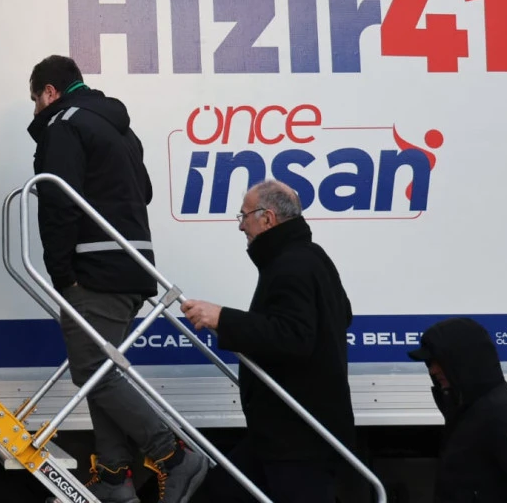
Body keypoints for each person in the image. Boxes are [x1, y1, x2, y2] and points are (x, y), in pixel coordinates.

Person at [28, 55, 207, 503]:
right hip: (131, 265)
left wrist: (61, 273)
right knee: (101, 370)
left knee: (93, 370)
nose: (35, 110)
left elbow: (58, 200)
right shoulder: (119, 128)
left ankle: (172, 456)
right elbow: (144, 191)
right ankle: (113, 476)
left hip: (94, 269)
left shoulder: (63, 124)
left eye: (35, 99)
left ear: (49, 91)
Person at [182, 180, 354, 503]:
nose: (240, 226)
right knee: (218, 493)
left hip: (297, 437)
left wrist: (222, 318)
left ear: (267, 218)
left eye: (244, 216)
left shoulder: (291, 265)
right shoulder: (311, 258)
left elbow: (294, 336)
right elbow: (341, 315)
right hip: (286, 431)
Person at [409, 317, 507, 502]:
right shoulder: (467, 406)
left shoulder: (505, 414)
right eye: (429, 363)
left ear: (461, 359)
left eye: (437, 361)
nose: (432, 370)